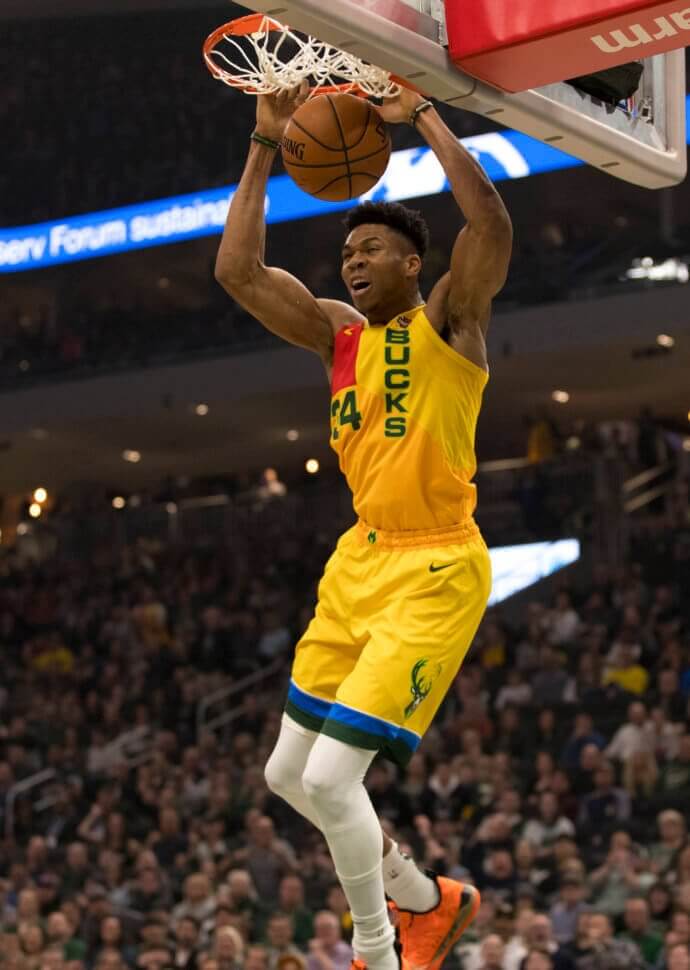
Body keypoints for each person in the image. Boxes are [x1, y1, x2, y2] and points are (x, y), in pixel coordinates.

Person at [215, 76, 512, 970]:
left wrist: (420, 111)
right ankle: (428, 899)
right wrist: (266, 142)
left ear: (412, 267)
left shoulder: (452, 324)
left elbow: (491, 223)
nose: (354, 262)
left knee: (329, 781)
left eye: (374, 249)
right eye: (349, 252)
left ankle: (379, 949)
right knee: (282, 776)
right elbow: (236, 272)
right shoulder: (336, 336)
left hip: (436, 567)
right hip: (362, 561)